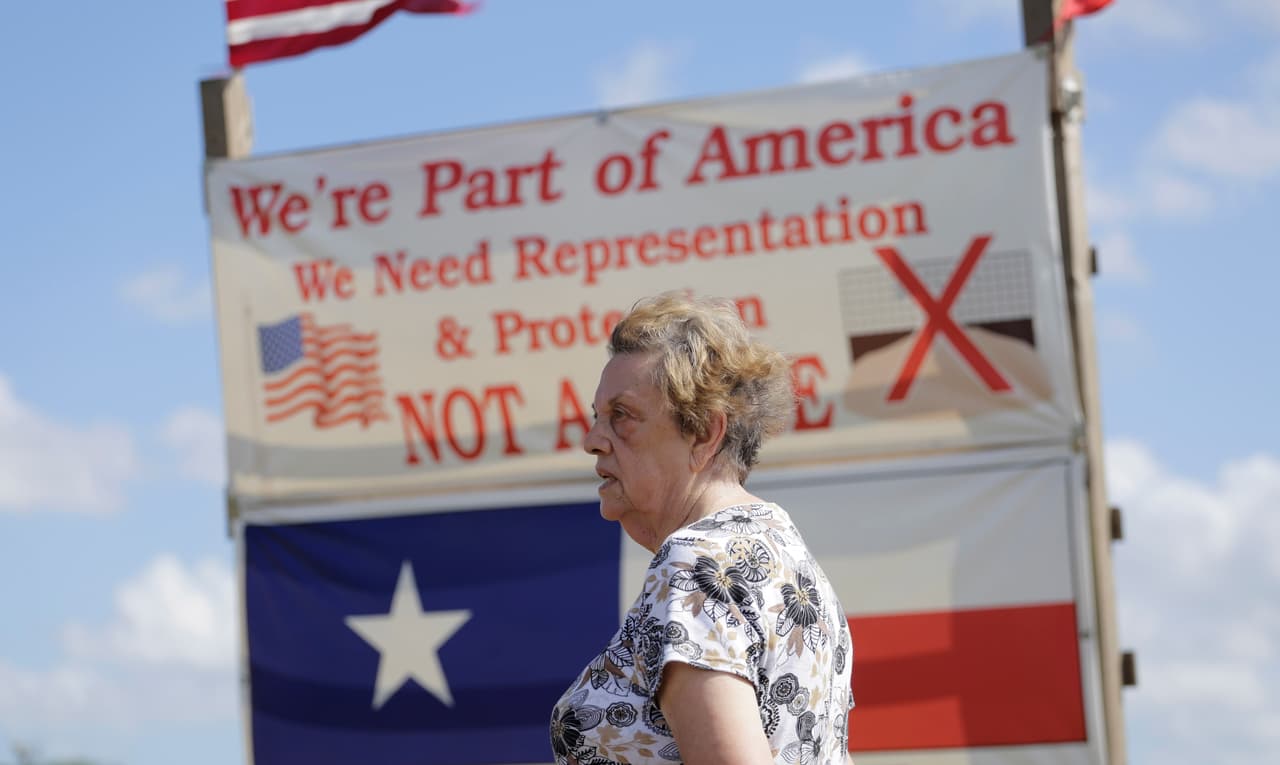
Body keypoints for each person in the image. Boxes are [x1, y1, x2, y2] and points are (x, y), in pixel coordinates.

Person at [550, 293, 854, 765]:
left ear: (704, 433)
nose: (592, 441)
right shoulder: (783, 547)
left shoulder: (695, 563)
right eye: (597, 416)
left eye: (622, 416)